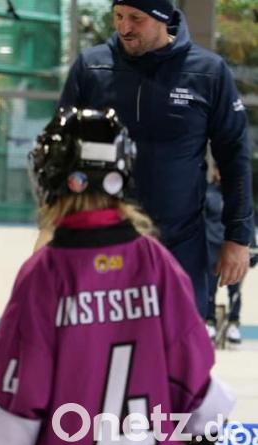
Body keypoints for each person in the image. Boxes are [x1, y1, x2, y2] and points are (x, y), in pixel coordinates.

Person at [0, 107, 234, 445]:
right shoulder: (157, 263)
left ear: (51, 177)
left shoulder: (44, 274)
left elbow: (17, 405)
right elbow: (198, 388)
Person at [58, 0, 253, 318]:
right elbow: (61, 154)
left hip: (180, 245)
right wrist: (56, 228)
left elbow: (235, 158)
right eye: (118, 16)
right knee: (102, 356)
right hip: (101, 244)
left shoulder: (207, 72)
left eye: (136, 18)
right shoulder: (92, 68)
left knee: (180, 356)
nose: (124, 28)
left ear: (164, 19)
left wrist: (238, 238)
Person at [203, 164, 255, 344]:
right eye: (219, 170)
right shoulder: (207, 194)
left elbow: (247, 220)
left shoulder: (239, 196)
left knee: (235, 289)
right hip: (211, 247)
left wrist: (252, 249)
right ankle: (208, 321)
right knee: (209, 288)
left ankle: (233, 323)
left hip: (233, 248)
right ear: (215, 172)